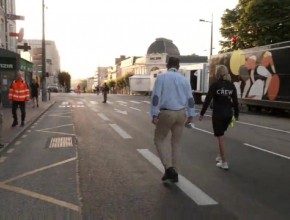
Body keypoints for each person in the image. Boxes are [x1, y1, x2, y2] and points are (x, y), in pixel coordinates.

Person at [150, 57, 195, 183]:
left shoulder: (161, 78)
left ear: (167, 65)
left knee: (159, 139)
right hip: (181, 113)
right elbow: (190, 98)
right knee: (176, 143)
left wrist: (154, 114)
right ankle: (174, 172)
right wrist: (191, 114)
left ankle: (169, 168)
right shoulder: (184, 80)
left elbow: (156, 97)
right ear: (178, 66)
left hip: (167, 112)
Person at [199, 65, 239, 170]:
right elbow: (235, 101)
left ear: (217, 74)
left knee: (220, 137)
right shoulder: (231, 85)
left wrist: (201, 114)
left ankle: (224, 162)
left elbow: (207, 100)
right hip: (228, 115)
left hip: (218, 114)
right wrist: (236, 115)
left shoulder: (215, 85)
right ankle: (220, 155)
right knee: (220, 135)